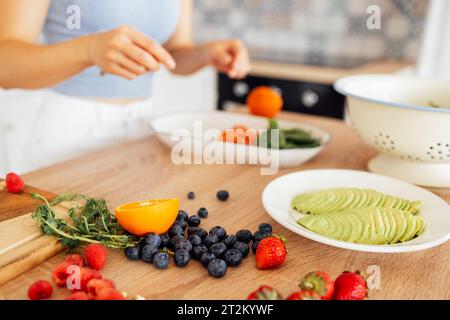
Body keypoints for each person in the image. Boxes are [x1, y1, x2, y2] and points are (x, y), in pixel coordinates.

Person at [0, 0, 250, 174]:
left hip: (143, 131)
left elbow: (174, 54)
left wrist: (206, 54)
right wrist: (90, 49)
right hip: (70, 135)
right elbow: (6, 63)